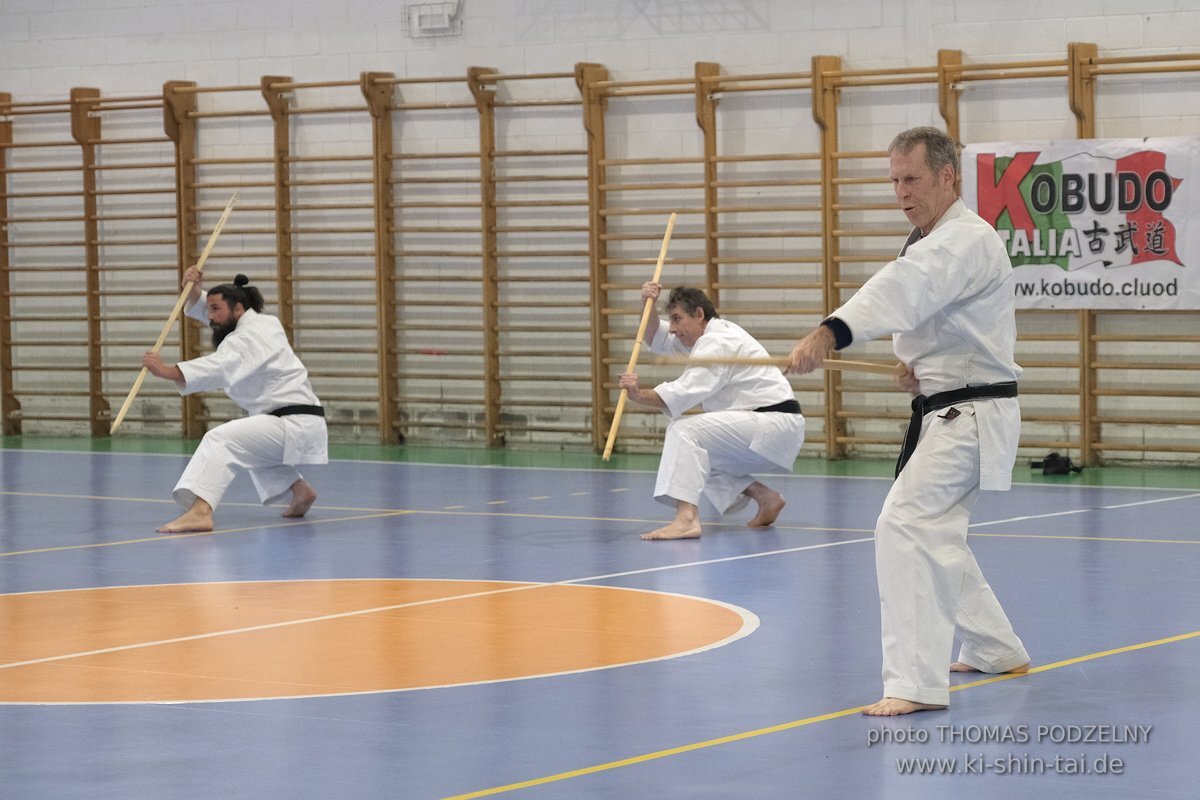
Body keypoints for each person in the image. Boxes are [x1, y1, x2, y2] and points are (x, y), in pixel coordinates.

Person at [786, 127, 1029, 716]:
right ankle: (996, 648)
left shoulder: (963, 239)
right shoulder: (932, 239)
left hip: (969, 413)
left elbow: (905, 289)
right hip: (951, 404)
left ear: (948, 175)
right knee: (931, 528)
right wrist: (917, 365)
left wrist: (831, 331)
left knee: (905, 527)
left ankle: (915, 685)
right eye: (893, 180)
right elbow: (936, 316)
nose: (901, 191)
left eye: (911, 178)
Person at [142, 267, 328, 533]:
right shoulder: (265, 323)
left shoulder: (245, 339)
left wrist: (166, 371)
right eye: (209, 310)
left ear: (238, 309)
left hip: (292, 422)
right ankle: (300, 492)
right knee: (251, 443)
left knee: (221, 440)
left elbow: (218, 367)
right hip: (296, 420)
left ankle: (201, 511)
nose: (211, 317)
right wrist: (192, 288)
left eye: (215, 309)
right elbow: (212, 310)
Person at [618, 284, 806, 540]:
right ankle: (767, 498)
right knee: (698, 455)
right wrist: (647, 302)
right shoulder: (699, 338)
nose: (672, 328)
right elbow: (654, 336)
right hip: (771, 429)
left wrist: (640, 395)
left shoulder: (717, 341)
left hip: (771, 422)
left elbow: (687, 391)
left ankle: (686, 519)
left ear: (698, 315)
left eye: (677, 319)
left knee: (683, 431)